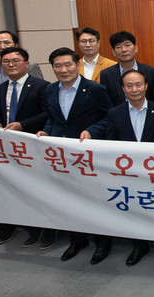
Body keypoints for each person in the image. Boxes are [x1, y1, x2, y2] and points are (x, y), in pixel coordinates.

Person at [37, 47, 113, 261]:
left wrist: (92, 131)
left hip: (86, 154)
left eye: (67, 64)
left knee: (95, 200)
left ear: (77, 64)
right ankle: (77, 239)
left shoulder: (95, 89)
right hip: (61, 155)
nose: (63, 70)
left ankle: (102, 243)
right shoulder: (50, 89)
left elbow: (109, 117)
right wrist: (46, 131)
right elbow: (53, 117)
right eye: (58, 66)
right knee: (68, 199)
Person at [105, 70, 154, 267]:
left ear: (146, 86)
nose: (135, 89)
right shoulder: (115, 113)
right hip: (128, 173)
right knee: (134, 210)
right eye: (129, 86)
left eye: (139, 85)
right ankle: (139, 246)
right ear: (123, 89)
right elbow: (111, 143)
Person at [0, 46, 50, 247]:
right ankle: (16, 223)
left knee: (36, 187)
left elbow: (47, 113)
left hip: (32, 144)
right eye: (6, 62)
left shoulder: (42, 86)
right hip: (7, 145)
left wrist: (23, 125)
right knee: (11, 185)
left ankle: (41, 229)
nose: (11, 65)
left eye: (16, 61)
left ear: (26, 63)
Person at [99, 31, 154, 106]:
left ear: (136, 48)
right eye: (118, 47)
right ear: (113, 52)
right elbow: (105, 102)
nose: (124, 50)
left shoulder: (150, 71)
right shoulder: (106, 74)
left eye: (127, 45)